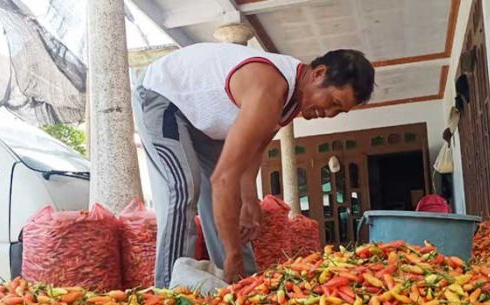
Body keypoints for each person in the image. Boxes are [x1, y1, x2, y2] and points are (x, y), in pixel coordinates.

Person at [133, 42, 375, 287]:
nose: (330, 113)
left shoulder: (290, 99)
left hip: (203, 124)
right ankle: (167, 292)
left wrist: (249, 198)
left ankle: (245, 288)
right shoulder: (269, 90)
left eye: (339, 111)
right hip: (163, 97)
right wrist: (233, 253)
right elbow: (223, 180)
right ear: (319, 73)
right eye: (333, 101)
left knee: (233, 201)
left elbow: (255, 149)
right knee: (183, 187)